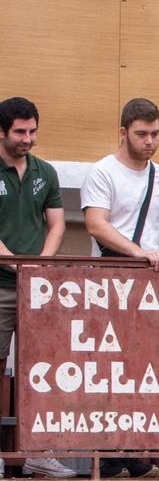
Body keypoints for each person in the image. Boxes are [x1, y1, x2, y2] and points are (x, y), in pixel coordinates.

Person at [0, 98, 66, 389]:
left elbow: (57, 224)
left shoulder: (46, 171)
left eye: (33, 131)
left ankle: (28, 435)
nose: (28, 139)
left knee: (40, 362)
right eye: (20, 132)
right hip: (1, 285)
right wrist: (18, 265)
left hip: (37, 286)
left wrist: (41, 262)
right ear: (1, 132)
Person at [82, 97, 159, 272]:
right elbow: (95, 224)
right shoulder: (103, 171)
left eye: (155, 134)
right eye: (141, 134)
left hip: (150, 273)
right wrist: (139, 252)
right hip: (108, 272)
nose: (149, 141)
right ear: (123, 133)